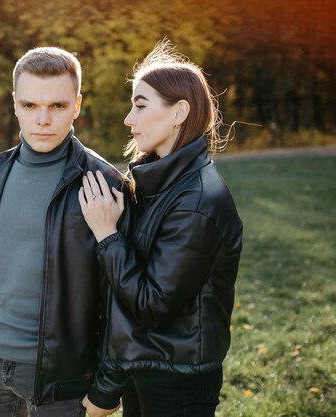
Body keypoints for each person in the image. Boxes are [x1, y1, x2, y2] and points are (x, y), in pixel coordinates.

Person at [0, 46, 132, 417]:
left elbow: (118, 296)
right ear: (14, 104)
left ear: (77, 105)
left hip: (63, 379)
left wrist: (107, 387)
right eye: (29, 106)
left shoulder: (103, 182)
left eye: (57, 106)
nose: (42, 120)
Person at [78, 40, 243, 417]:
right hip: (147, 365)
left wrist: (107, 234)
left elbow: (152, 306)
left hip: (178, 379)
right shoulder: (157, 183)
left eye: (139, 106)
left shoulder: (199, 200)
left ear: (179, 112)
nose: (128, 120)